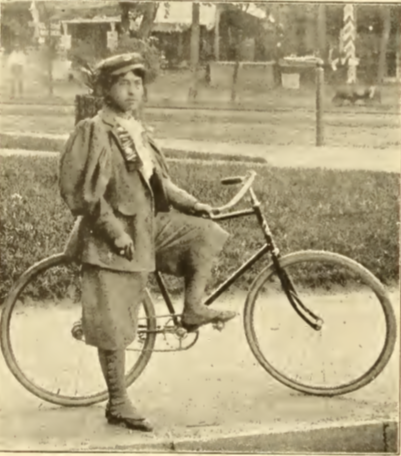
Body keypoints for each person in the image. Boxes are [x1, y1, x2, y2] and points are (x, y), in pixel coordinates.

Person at [58, 53, 237, 432]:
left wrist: (192, 203)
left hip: (144, 226)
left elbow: (158, 182)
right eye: (123, 83)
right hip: (109, 236)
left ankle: (193, 308)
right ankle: (118, 401)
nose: (132, 89)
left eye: (138, 83)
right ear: (105, 89)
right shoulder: (94, 129)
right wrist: (116, 232)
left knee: (205, 234)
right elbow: (85, 196)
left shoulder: (135, 129)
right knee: (116, 320)